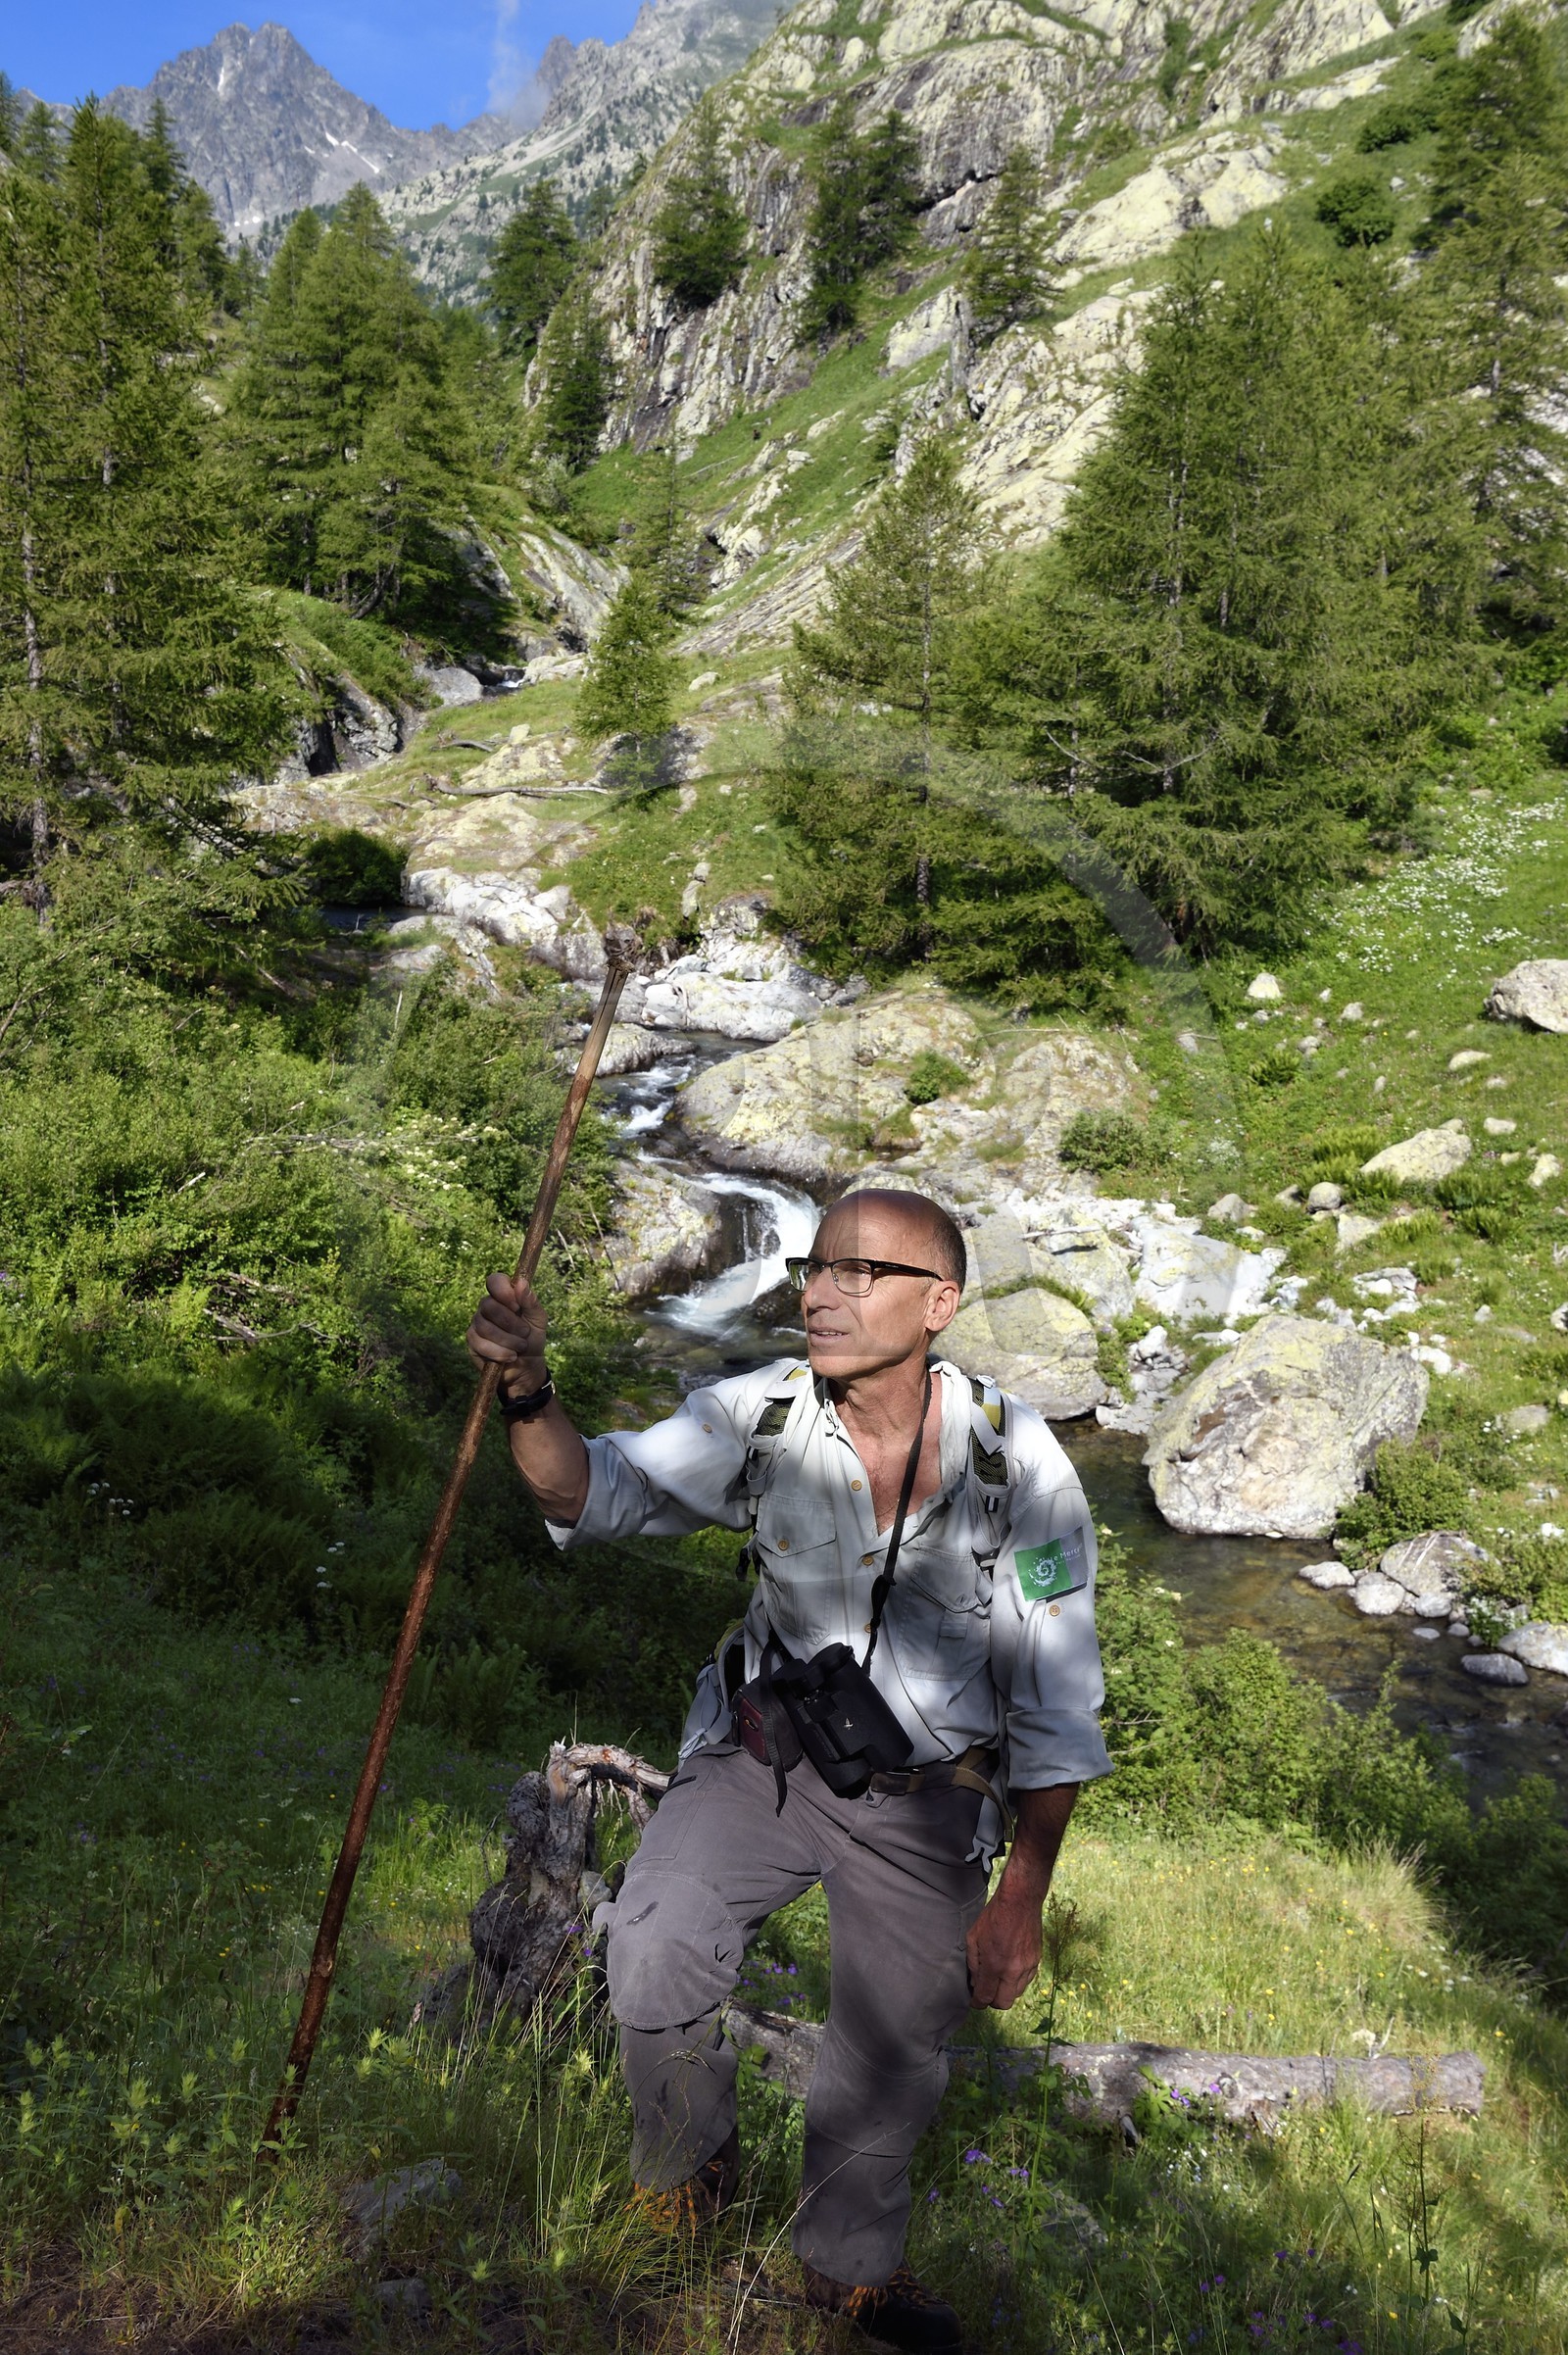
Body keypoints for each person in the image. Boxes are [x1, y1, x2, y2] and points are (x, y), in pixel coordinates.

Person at [467, 1187, 1110, 2354]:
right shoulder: (759, 1415)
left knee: (889, 2055)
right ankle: (684, 2174)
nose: (819, 1292)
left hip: (930, 1803)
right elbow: (584, 1489)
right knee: (653, 1943)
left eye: (861, 1273)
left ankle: (844, 2272)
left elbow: (1057, 1702)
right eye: (817, 1268)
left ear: (940, 1305)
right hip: (762, 1756)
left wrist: (1022, 1897)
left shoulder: (1024, 1470)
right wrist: (528, 1388)